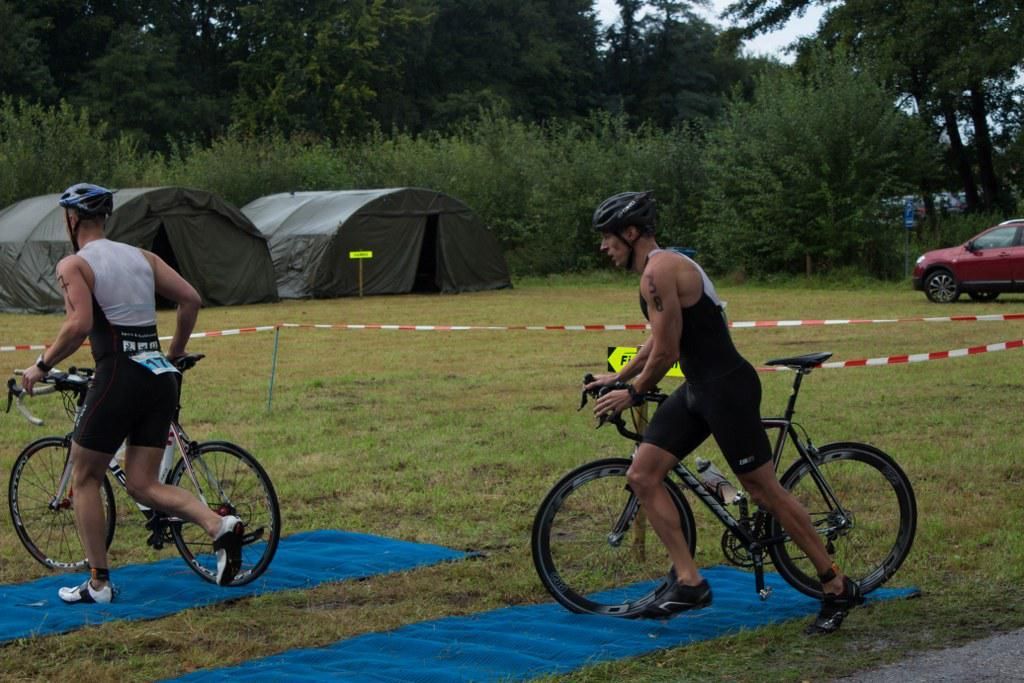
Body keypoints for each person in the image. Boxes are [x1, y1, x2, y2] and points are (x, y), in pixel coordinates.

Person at [586, 190, 863, 634]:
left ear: (630, 231)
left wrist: (634, 392)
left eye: (607, 237)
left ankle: (836, 586)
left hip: (726, 390)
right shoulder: (660, 270)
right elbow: (658, 340)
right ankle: (690, 581)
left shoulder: (658, 273)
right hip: (699, 389)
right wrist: (616, 379)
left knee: (763, 491)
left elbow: (668, 351)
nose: (604, 247)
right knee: (642, 475)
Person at [20, 183, 245, 604]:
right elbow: (191, 299)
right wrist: (173, 354)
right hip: (159, 375)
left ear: (71, 220)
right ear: (105, 218)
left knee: (85, 476)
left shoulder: (74, 264)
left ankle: (99, 584)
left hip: (119, 373)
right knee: (142, 483)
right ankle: (218, 526)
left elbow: (79, 324)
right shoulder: (142, 256)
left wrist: (42, 364)